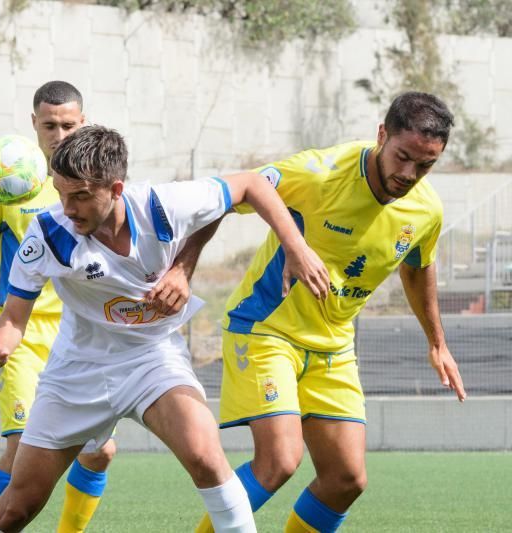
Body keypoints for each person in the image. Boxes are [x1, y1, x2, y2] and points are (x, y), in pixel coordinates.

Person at [0, 125, 330, 532]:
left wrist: (291, 248)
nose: (67, 207)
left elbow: (248, 185)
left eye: (81, 195)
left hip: (152, 357)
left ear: (116, 188)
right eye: (61, 192)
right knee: (18, 506)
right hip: (77, 370)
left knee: (206, 456)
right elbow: (14, 318)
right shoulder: (48, 234)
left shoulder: (162, 205)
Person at [194, 91, 467, 533]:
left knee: (346, 479)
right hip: (267, 330)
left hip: (334, 345)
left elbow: (418, 268)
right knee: (279, 460)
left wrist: (437, 342)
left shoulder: (426, 209)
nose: (409, 174)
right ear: (382, 135)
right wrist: (185, 269)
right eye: (402, 157)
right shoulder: (322, 173)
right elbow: (226, 191)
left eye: (426, 165)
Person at [0, 80, 117, 532]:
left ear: (83, 122)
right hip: (22, 336)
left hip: (83, 332)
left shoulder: (97, 180)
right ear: (34, 123)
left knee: (100, 451)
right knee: (21, 448)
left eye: (69, 124)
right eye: (50, 125)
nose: (60, 134)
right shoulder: (5, 177)